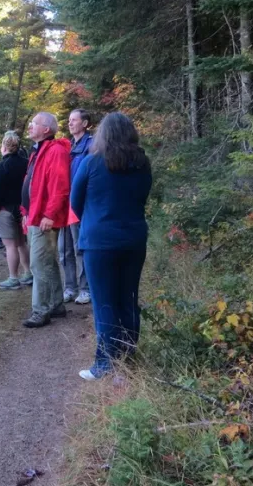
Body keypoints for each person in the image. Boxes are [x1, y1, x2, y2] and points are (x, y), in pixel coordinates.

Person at [71, 112, 152, 380]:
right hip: (133, 239)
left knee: (104, 302)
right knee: (128, 298)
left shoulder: (91, 162)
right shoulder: (142, 164)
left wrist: (94, 219)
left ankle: (105, 363)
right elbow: (143, 197)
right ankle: (127, 358)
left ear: (104, 134)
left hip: (99, 242)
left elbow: (75, 201)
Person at [21, 112, 72, 328]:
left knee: (38, 264)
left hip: (45, 217)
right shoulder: (38, 151)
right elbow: (31, 183)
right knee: (47, 262)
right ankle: (56, 304)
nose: (30, 126)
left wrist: (49, 215)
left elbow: (60, 186)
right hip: (34, 216)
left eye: (34, 123)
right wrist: (25, 212)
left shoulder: (56, 151)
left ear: (46, 129)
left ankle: (40, 311)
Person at [0, 131, 31, 290]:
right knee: (21, 243)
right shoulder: (26, 163)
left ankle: (13, 277)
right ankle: (28, 272)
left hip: (5, 209)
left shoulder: (3, 166)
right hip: (21, 208)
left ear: (4, 147)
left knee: (10, 245)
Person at [60, 109, 93, 304]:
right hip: (63, 204)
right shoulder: (67, 145)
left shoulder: (92, 145)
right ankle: (69, 287)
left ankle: (85, 289)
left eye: (74, 120)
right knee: (64, 249)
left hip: (80, 204)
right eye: (69, 120)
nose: (70, 123)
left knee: (79, 247)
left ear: (85, 123)